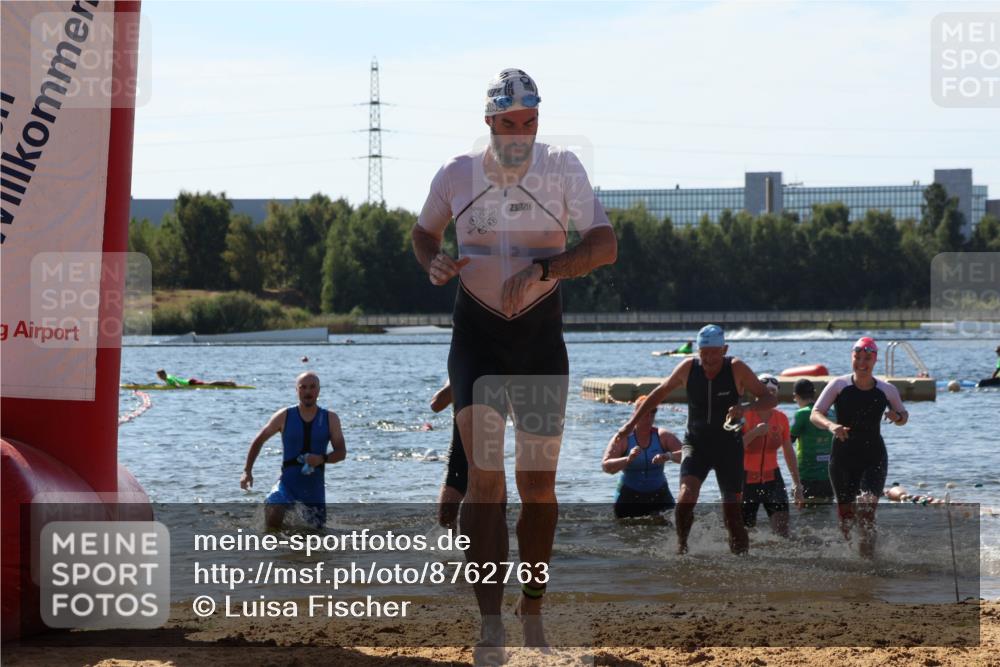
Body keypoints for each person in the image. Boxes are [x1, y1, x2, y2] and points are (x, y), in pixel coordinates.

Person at [411, 67, 617, 662]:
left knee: (537, 486)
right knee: (484, 481)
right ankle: (489, 620)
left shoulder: (562, 170)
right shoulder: (456, 173)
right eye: (508, 125)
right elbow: (423, 234)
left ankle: (532, 608)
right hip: (476, 337)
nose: (520, 136)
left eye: (529, 123)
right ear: (488, 123)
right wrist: (436, 262)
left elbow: (604, 245)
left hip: (538, 340)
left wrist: (547, 269)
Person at [616, 324, 778, 555]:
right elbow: (659, 394)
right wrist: (630, 424)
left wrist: (746, 407)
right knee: (685, 499)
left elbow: (769, 399)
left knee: (732, 513)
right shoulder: (687, 368)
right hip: (696, 444)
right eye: (704, 353)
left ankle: (742, 563)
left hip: (728, 447)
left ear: (724, 349)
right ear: (698, 352)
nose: (709, 359)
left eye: (714, 353)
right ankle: (682, 549)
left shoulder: (736, 368)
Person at [809, 337, 908, 559]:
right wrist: (831, 425)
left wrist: (897, 416)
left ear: (875, 360)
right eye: (857, 358)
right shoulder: (838, 385)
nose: (862, 363)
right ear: (852, 358)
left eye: (867, 358)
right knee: (846, 514)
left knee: (867, 508)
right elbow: (815, 413)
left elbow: (904, 416)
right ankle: (850, 555)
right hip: (843, 457)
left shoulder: (886, 389)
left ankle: (868, 558)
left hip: (873, 456)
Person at [240, 372, 347, 531]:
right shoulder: (284, 416)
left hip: (314, 489)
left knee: (315, 534)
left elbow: (341, 452)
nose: (308, 391)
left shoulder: (330, 418)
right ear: (296, 390)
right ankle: (273, 550)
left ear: (318, 390)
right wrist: (247, 471)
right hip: (287, 484)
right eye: (303, 387)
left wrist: (321, 458)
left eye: (312, 387)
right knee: (274, 508)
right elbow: (259, 440)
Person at [741, 374, 803, 537]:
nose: (769, 395)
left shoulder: (781, 418)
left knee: (783, 532)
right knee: (745, 532)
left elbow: (788, 451)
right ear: (756, 394)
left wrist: (797, 484)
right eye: (765, 391)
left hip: (773, 479)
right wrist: (754, 433)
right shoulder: (744, 415)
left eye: (772, 391)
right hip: (745, 479)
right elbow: (732, 449)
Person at [602, 395, 682, 519]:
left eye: (653, 412)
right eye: (645, 412)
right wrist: (627, 459)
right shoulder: (624, 437)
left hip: (659, 495)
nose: (649, 416)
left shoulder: (663, 436)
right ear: (635, 414)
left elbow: (689, 455)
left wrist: (668, 456)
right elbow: (606, 466)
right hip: (629, 496)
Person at [789, 378, 835, 502]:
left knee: (805, 515)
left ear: (796, 396)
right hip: (829, 477)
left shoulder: (802, 414)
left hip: (807, 476)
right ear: (814, 394)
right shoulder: (832, 413)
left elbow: (788, 441)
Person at [430, 381, 467, 529]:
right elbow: (436, 405)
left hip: (489, 453)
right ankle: (453, 549)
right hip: (460, 453)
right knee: (445, 518)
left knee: (489, 514)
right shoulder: (461, 367)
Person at [156, 368, 236, 387]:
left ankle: (229, 382)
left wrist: (179, 388)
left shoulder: (169, 378)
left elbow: (176, 384)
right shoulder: (168, 375)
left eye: (159, 375)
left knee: (208, 384)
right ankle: (228, 383)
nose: (159, 377)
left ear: (163, 374)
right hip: (189, 381)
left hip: (190, 383)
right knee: (208, 383)